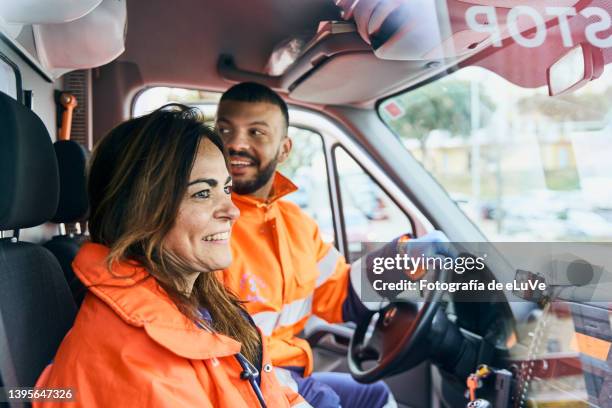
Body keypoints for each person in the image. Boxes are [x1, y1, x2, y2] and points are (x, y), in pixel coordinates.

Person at [34, 104, 309, 408]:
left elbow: (343, 289)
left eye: (227, 189)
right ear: (143, 208)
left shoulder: (205, 301)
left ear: (285, 149)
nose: (233, 211)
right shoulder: (138, 359)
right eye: (203, 193)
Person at [216, 82, 451, 408]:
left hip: (286, 367)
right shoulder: (207, 225)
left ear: (284, 149)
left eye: (256, 133)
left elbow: (339, 294)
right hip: (244, 378)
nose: (235, 144)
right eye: (224, 130)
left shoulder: (295, 222)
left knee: (377, 396)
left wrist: (405, 259)